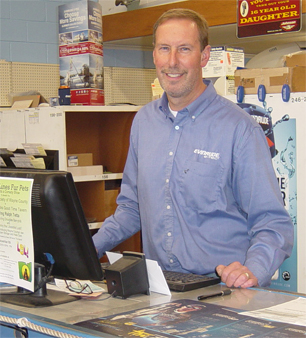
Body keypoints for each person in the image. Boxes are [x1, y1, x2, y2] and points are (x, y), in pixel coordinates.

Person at [93, 8, 293, 288]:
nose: (172, 62)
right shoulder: (144, 122)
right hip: (161, 289)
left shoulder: (239, 128)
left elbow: (273, 223)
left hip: (223, 292)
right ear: (154, 55)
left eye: (184, 49)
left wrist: (251, 271)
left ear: (204, 56)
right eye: (164, 49)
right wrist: (86, 250)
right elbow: (131, 208)